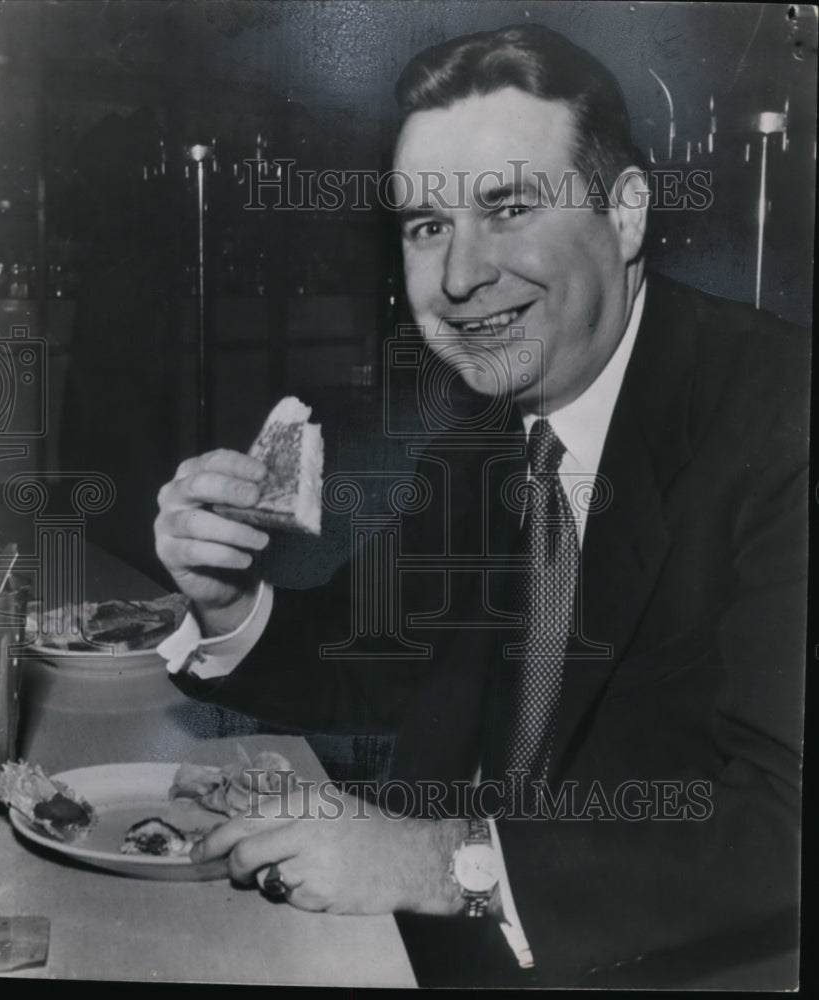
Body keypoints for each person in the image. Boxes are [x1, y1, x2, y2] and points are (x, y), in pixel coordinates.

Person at [153, 24, 807, 988]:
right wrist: (225, 600)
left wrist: (440, 865)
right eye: (426, 226)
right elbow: (377, 659)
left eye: (507, 207)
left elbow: (784, 822)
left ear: (625, 214)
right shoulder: (492, 436)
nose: (458, 279)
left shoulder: (784, 416)